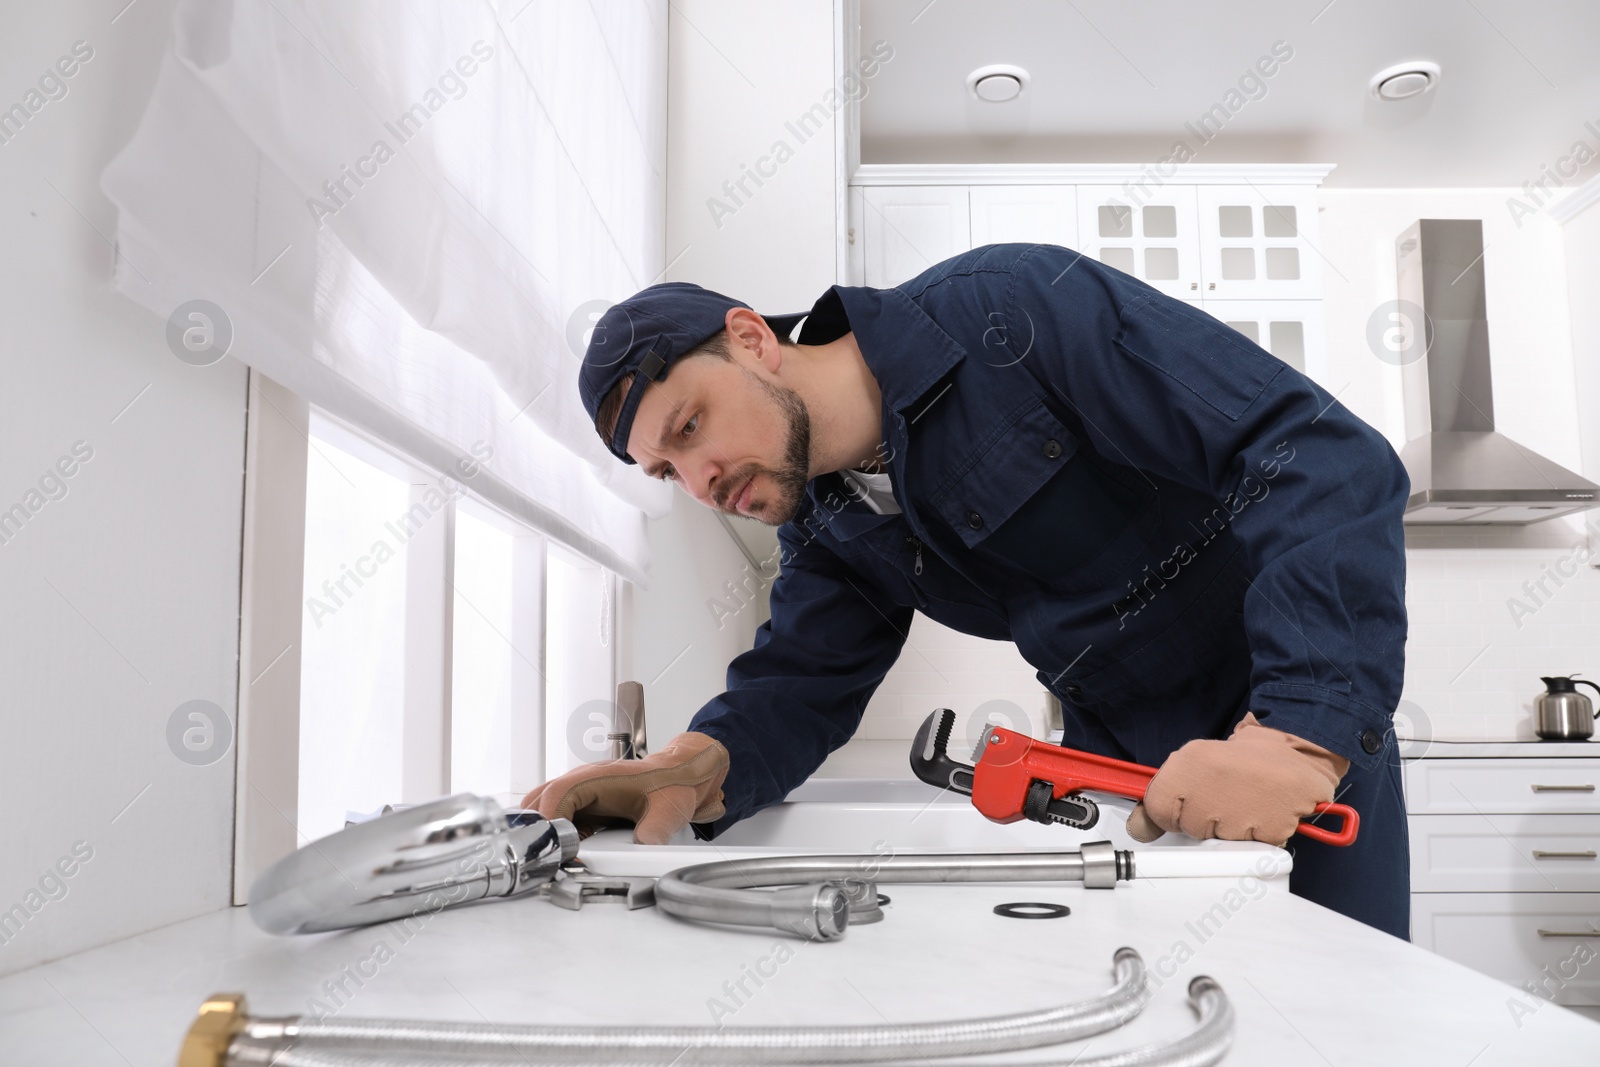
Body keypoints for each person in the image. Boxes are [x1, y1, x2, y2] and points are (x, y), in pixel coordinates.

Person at [521, 242, 1411, 938]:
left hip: (1290, 716)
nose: (700, 477)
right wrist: (697, 764)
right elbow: (799, 683)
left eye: (690, 425)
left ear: (754, 339)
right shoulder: (826, 523)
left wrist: (1296, 735)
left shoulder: (1011, 310)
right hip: (1117, 773)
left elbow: (1315, 452)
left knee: (1337, 1020)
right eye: (666, 470)